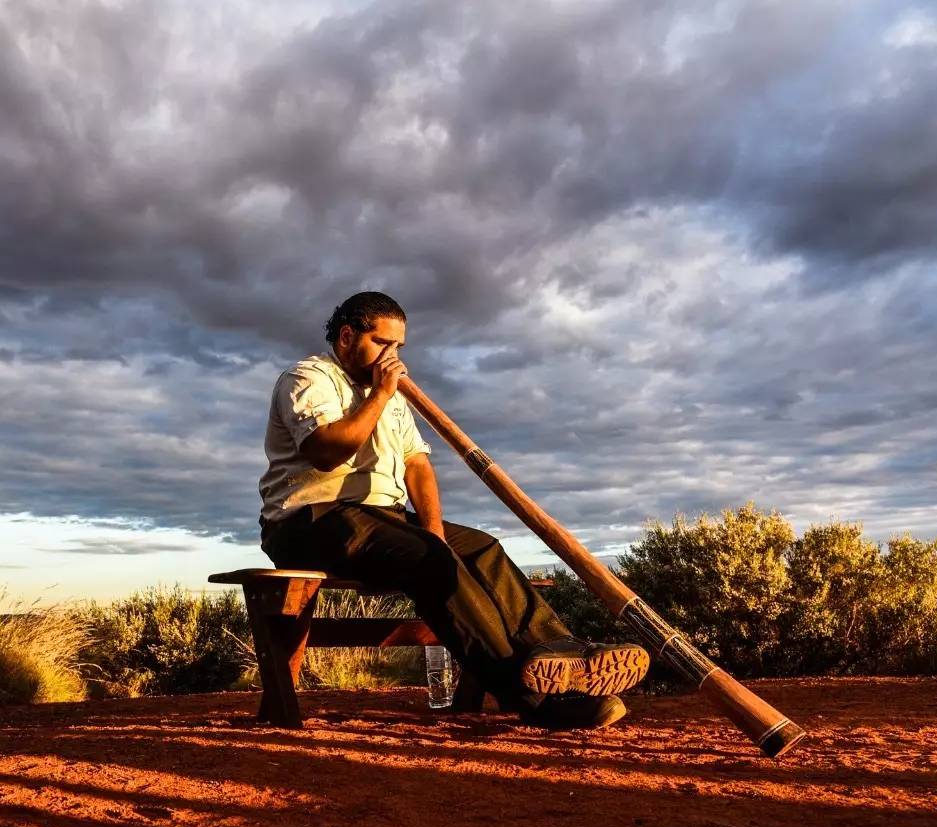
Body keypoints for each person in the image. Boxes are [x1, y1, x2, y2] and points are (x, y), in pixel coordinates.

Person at [258, 291, 649, 729]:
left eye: (399, 348)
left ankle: (562, 655)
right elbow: (327, 451)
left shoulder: (392, 397)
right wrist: (382, 394)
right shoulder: (309, 377)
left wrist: (433, 531)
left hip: (380, 518)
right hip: (310, 520)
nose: (393, 356)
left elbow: (417, 464)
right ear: (347, 337)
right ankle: (532, 699)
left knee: (483, 548)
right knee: (427, 559)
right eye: (382, 343)